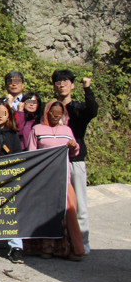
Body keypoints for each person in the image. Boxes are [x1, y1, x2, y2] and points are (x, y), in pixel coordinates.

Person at [28, 100, 84, 260]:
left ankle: (73, 249)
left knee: (68, 214)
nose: (56, 116)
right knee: (46, 214)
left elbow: (74, 152)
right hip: (44, 179)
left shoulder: (66, 130)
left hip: (63, 177)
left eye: (59, 114)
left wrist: (74, 146)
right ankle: (46, 248)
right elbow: (32, 153)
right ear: (47, 112)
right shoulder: (37, 129)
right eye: (53, 113)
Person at [52, 70, 97, 254]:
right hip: (54, 162)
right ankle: (59, 242)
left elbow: (92, 110)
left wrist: (88, 89)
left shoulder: (78, 108)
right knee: (56, 204)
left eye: (65, 81)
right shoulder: (51, 109)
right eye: (57, 81)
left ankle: (83, 241)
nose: (61, 84)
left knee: (79, 202)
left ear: (72, 85)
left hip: (75, 160)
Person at [0, 101, 25, 262]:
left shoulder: (12, 134)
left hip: (9, 177)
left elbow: (18, 155)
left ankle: (16, 246)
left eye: (3, 113)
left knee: (12, 212)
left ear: (9, 115)